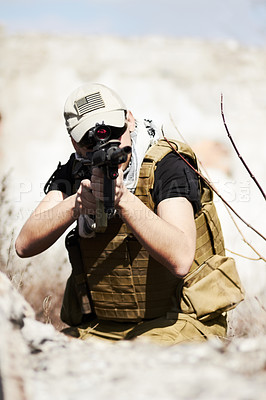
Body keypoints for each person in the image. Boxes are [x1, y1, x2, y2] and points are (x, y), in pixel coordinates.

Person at [15, 83, 244, 345]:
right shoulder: (76, 170)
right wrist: (76, 205)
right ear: (75, 144)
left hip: (178, 320)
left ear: (130, 121)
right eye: (88, 141)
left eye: (115, 130)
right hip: (105, 326)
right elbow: (24, 245)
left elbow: (181, 258)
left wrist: (123, 200)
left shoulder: (169, 165)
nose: (105, 142)